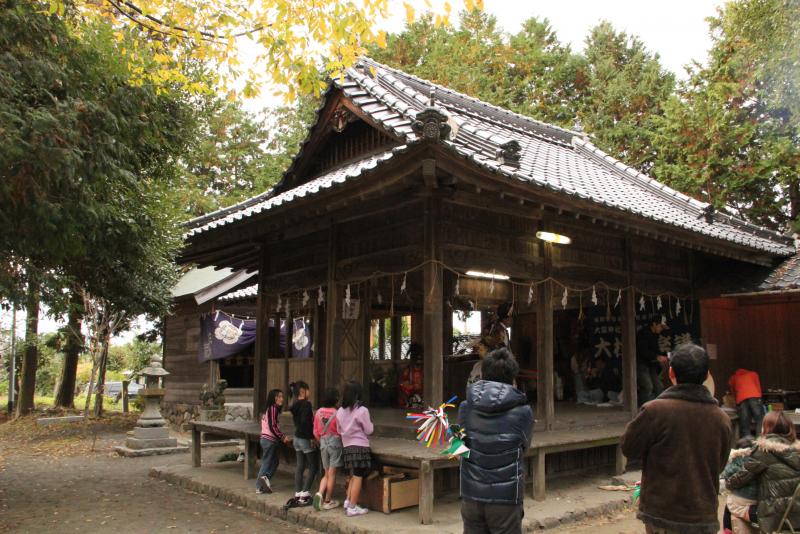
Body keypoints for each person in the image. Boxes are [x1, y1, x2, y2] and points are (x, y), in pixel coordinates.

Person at [622, 343, 732, 534]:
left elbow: (629, 447)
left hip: (662, 512)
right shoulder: (721, 418)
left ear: (671, 372)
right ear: (707, 375)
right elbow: (720, 464)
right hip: (702, 513)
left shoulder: (655, 411)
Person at [459, 348, 534, 534]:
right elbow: (524, 447)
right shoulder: (524, 412)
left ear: (483, 374)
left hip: (471, 496)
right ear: (513, 379)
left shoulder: (464, 407)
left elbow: (459, 449)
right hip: (506, 499)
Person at [727, 410, 800, 534]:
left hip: (773, 518)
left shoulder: (764, 452)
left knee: (732, 501)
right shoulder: (796, 452)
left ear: (767, 428)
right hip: (796, 516)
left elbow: (735, 481)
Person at [336, 380, 374, 517]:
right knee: (358, 477)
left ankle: (348, 501)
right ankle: (352, 507)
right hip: (360, 446)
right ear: (358, 395)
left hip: (347, 446)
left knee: (352, 475)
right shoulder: (362, 410)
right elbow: (369, 430)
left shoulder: (340, 411)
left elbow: (338, 429)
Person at [468, 302, 513, 388]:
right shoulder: (499, 331)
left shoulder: (500, 329)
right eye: (511, 318)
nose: (512, 320)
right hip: (497, 365)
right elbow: (495, 347)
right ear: (505, 319)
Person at [312, 387, 343, 511]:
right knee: (332, 474)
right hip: (335, 444)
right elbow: (341, 431)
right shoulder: (337, 413)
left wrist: (321, 442)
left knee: (326, 474)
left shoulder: (318, 412)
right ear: (335, 399)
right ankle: (328, 500)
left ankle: (320, 493)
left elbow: (315, 431)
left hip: (323, 443)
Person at [721, 436, 758, 534]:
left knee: (729, 504)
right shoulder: (758, 459)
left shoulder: (737, 461)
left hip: (743, 499)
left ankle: (727, 530)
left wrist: (731, 460)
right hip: (757, 499)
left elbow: (726, 475)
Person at [257, 388, 291, 494]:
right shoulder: (273, 409)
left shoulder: (269, 409)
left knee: (275, 461)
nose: (282, 399)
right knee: (266, 462)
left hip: (266, 439)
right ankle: (259, 486)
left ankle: (265, 479)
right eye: (279, 397)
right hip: (268, 440)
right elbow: (273, 426)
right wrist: (282, 437)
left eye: (282, 396)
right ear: (274, 398)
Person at [289, 381, 317, 504]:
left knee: (300, 466)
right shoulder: (306, 404)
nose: (310, 393)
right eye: (308, 390)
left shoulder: (294, 405)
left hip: (296, 438)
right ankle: (305, 494)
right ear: (302, 391)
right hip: (305, 439)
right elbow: (306, 422)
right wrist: (312, 437)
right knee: (313, 466)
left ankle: (298, 493)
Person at [635, 319, 670, 405]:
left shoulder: (655, 335)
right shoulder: (643, 333)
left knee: (659, 387)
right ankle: (643, 410)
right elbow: (643, 350)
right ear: (654, 324)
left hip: (651, 365)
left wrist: (665, 356)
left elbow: (656, 350)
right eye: (660, 326)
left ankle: (659, 408)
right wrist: (657, 357)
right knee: (648, 387)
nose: (661, 329)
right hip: (641, 364)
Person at [728, 369, 763, 438]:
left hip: (741, 399)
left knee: (745, 423)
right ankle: (759, 440)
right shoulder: (754, 374)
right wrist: (759, 397)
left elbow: (733, 391)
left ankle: (747, 443)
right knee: (759, 420)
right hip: (754, 396)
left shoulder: (733, 378)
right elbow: (758, 386)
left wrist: (736, 401)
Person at [398, 342, 424, 408]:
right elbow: (403, 383)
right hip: (411, 394)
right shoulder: (408, 370)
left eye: (421, 359)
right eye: (417, 358)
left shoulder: (425, 370)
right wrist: (411, 386)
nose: (419, 361)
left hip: (422, 393)